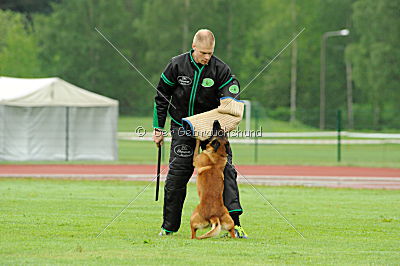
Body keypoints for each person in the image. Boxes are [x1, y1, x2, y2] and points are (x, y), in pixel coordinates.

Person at [152, 29, 247, 238]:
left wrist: (231, 100)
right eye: (203, 53)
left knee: (227, 172)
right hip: (182, 126)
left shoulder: (220, 69)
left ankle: (234, 225)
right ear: (193, 47)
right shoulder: (176, 65)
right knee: (177, 174)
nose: (206, 57)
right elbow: (161, 96)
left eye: (210, 54)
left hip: (213, 130)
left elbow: (231, 92)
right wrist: (158, 128)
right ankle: (168, 227)